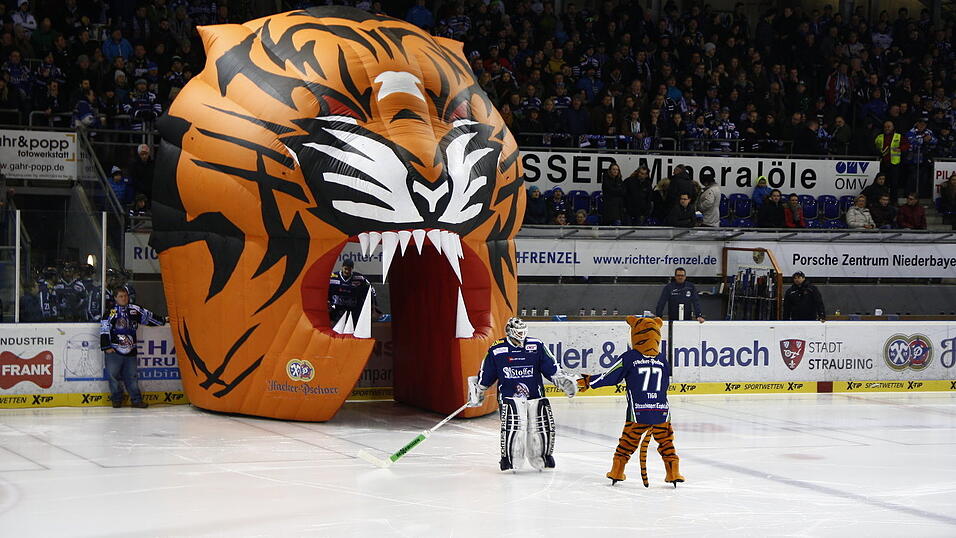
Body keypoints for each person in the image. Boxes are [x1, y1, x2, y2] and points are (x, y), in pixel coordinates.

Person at [580, 315, 684, 487]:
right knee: (666, 442)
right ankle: (673, 472)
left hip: (638, 412)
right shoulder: (662, 360)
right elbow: (665, 385)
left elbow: (610, 377)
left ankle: (617, 471)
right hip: (662, 412)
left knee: (628, 442)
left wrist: (588, 382)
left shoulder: (630, 357)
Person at [466, 317, 578, 471]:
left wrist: (561, 380)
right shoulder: (497, 349)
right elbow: (487, 373)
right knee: (514, 430)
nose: (521, 336)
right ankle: (510, 460)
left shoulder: (536, 345)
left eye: (522, 332)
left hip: (534, 395)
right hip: (509, 398)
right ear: (510, 332)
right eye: (517, 332)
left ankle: (543, 458)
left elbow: (550, 367)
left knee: (540, 428)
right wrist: (479, 388)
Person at [100, 288, 166, 408]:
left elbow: (149, 317)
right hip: (114, 350)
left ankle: (136, 400)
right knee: (113, 376)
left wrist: (163, 320)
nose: (124, 298)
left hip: (131, 350)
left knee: (132, 377)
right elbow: (104, 329)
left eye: (125, 296)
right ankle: (116, 399)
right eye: (120, 296)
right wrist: (106, 346)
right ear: (115, 298)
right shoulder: (110, 312)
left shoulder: (135, 310)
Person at [328, 258, 375, 327]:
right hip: (337, 309)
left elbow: (371, 288)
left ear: (352, 269)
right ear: (342, 267)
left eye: (349, 269)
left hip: (353, 309)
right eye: (345, 269)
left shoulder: (360, 278)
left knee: (353, 328)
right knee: (336, 328)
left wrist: (372, 303)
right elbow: (324, 289)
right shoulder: (333, 277)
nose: (347, 271)